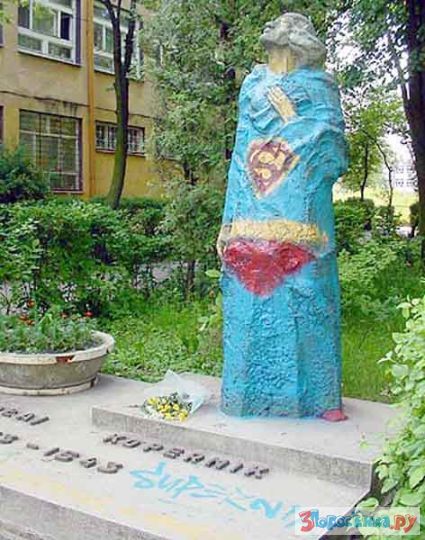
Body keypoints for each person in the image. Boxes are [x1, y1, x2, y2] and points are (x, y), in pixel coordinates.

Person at [218, 12, 348, 421]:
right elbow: (241, 152)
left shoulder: (320, 85)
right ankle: (246, 396)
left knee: (308, 293)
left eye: (282, 23)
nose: (272, 26)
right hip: (251, 210)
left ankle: (319, 397)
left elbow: (334, 152)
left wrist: (292, 119)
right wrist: (227, 219)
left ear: (297, 37)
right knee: (247, 299)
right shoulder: (253, 84)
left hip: (302, 213)